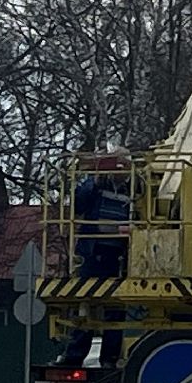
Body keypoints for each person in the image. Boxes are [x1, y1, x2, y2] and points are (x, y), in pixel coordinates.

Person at [59, 155, 132, 366]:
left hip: (118, 254)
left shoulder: (134, 189)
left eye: (123, 168)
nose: (119, 172)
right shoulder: (96, 185)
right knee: (85, 303)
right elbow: (78, 204)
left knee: (115, 307)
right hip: (93, 250)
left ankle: (109, 359)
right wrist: (94, 180)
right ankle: (74, 356)